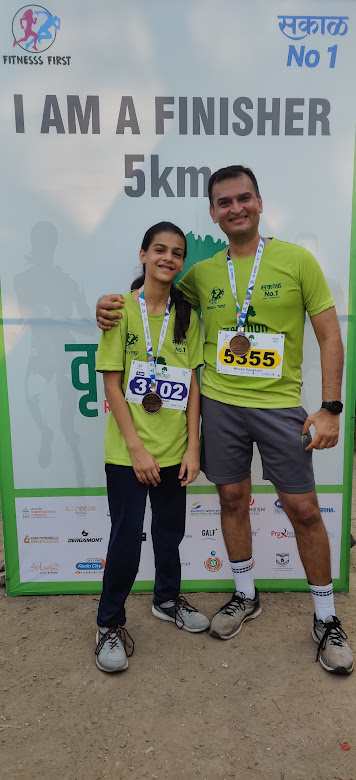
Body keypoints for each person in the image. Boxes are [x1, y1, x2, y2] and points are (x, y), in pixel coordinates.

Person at [96, 166, 353, 675]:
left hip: (281, 408)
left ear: (259, 202)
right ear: (212, 214)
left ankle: (325, 618)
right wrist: (107, 307)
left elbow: (329, 336)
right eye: (224, 202)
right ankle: (243, 594)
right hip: (218, 405)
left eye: (244, 199)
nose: (235, 208)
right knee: (232, 498)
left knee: (302, 508)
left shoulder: (297, 260)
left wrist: (330, 407)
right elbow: (154, 298)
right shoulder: (202, 272)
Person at [95, 221, 210, 672]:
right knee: (125, 537)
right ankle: (108, 622)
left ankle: (166, 599)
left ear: (183, 262)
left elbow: (194, 386)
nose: (168, 258)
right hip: (129, 453)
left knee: (169, 533)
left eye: (177, 253)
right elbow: (112, 383)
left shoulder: (188, 316)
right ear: (143, 255)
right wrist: (137, 449)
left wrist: (193, 447)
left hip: (175, 449)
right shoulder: (118, 310)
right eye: (159, 250)